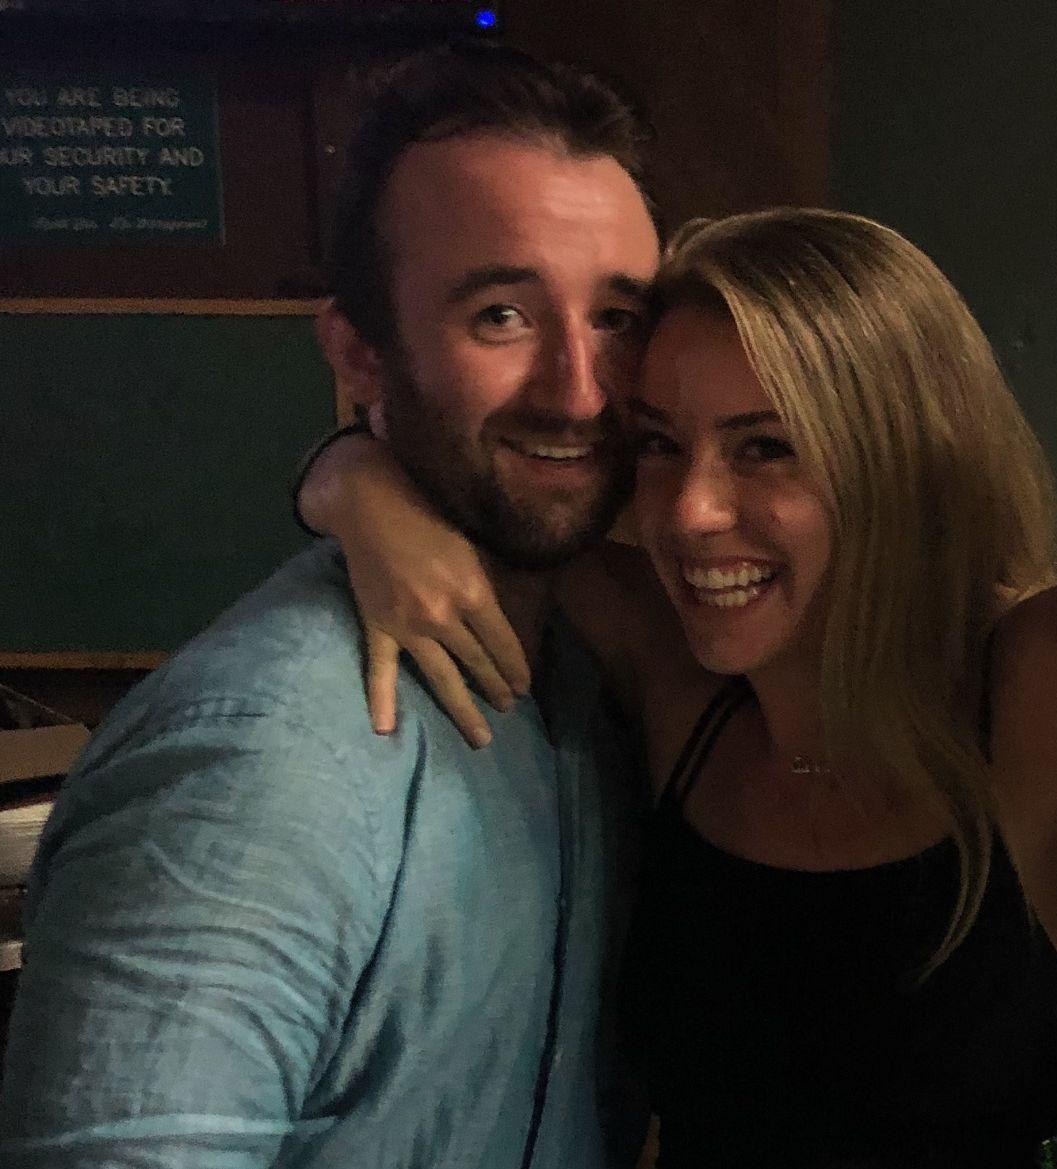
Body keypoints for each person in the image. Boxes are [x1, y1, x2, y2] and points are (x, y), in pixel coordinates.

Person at [296, 206, 1057, 1166]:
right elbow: (478, 498)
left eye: (766, 447)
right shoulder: (679, 681)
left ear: (907, 457)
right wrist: (349, 480)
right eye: (660, 444)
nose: (689, 512)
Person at [0, 43, 661, 1169]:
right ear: (358, 352)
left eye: (617, 317)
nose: (580, 389)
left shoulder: (602, 667)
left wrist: (342, 474)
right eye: (501, 314)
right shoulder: (260, 765)